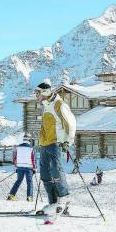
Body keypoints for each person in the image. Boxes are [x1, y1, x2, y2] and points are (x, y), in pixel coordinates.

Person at [34, 80, 76, 215]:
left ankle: (63, 200)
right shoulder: (46, 105)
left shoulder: (59, 104)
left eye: (37, 93)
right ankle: (53, 203)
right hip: (45, 144)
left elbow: (70, 124)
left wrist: (67, 142)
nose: (36, 95)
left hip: (56, 143)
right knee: (45, 173)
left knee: (55, 170)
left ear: (45, 93)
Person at [7, 134, 36, 201]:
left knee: (18, 180)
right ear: (29, 140)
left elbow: (15, 158)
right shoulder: (31, 148)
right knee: (29, 182)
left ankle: (11, 195)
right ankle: (29, 197)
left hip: (20, 167)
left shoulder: (18, 147)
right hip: (29, 167)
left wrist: (15, 167)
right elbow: (33, 159)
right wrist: (34, 168)